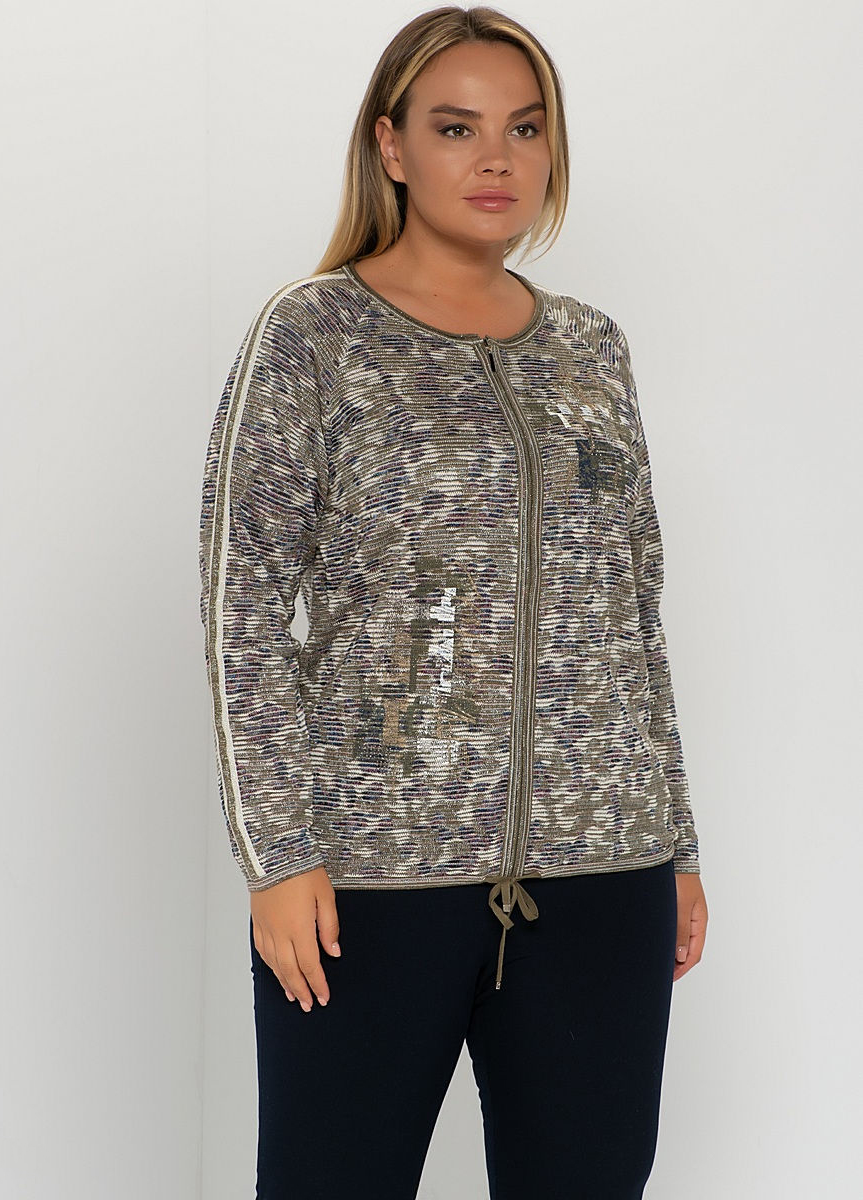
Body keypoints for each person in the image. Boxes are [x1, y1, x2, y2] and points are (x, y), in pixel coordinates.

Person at [198, 6, 709, 1198]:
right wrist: (278, 856)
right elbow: (241, 607)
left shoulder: (592, 348)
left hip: (605, 875)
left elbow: (635, 611)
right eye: (455, 127)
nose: (496, 159)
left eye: (524, 129)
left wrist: (675, 842)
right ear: (391, 145)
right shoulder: (313, 337)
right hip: (369, 884)